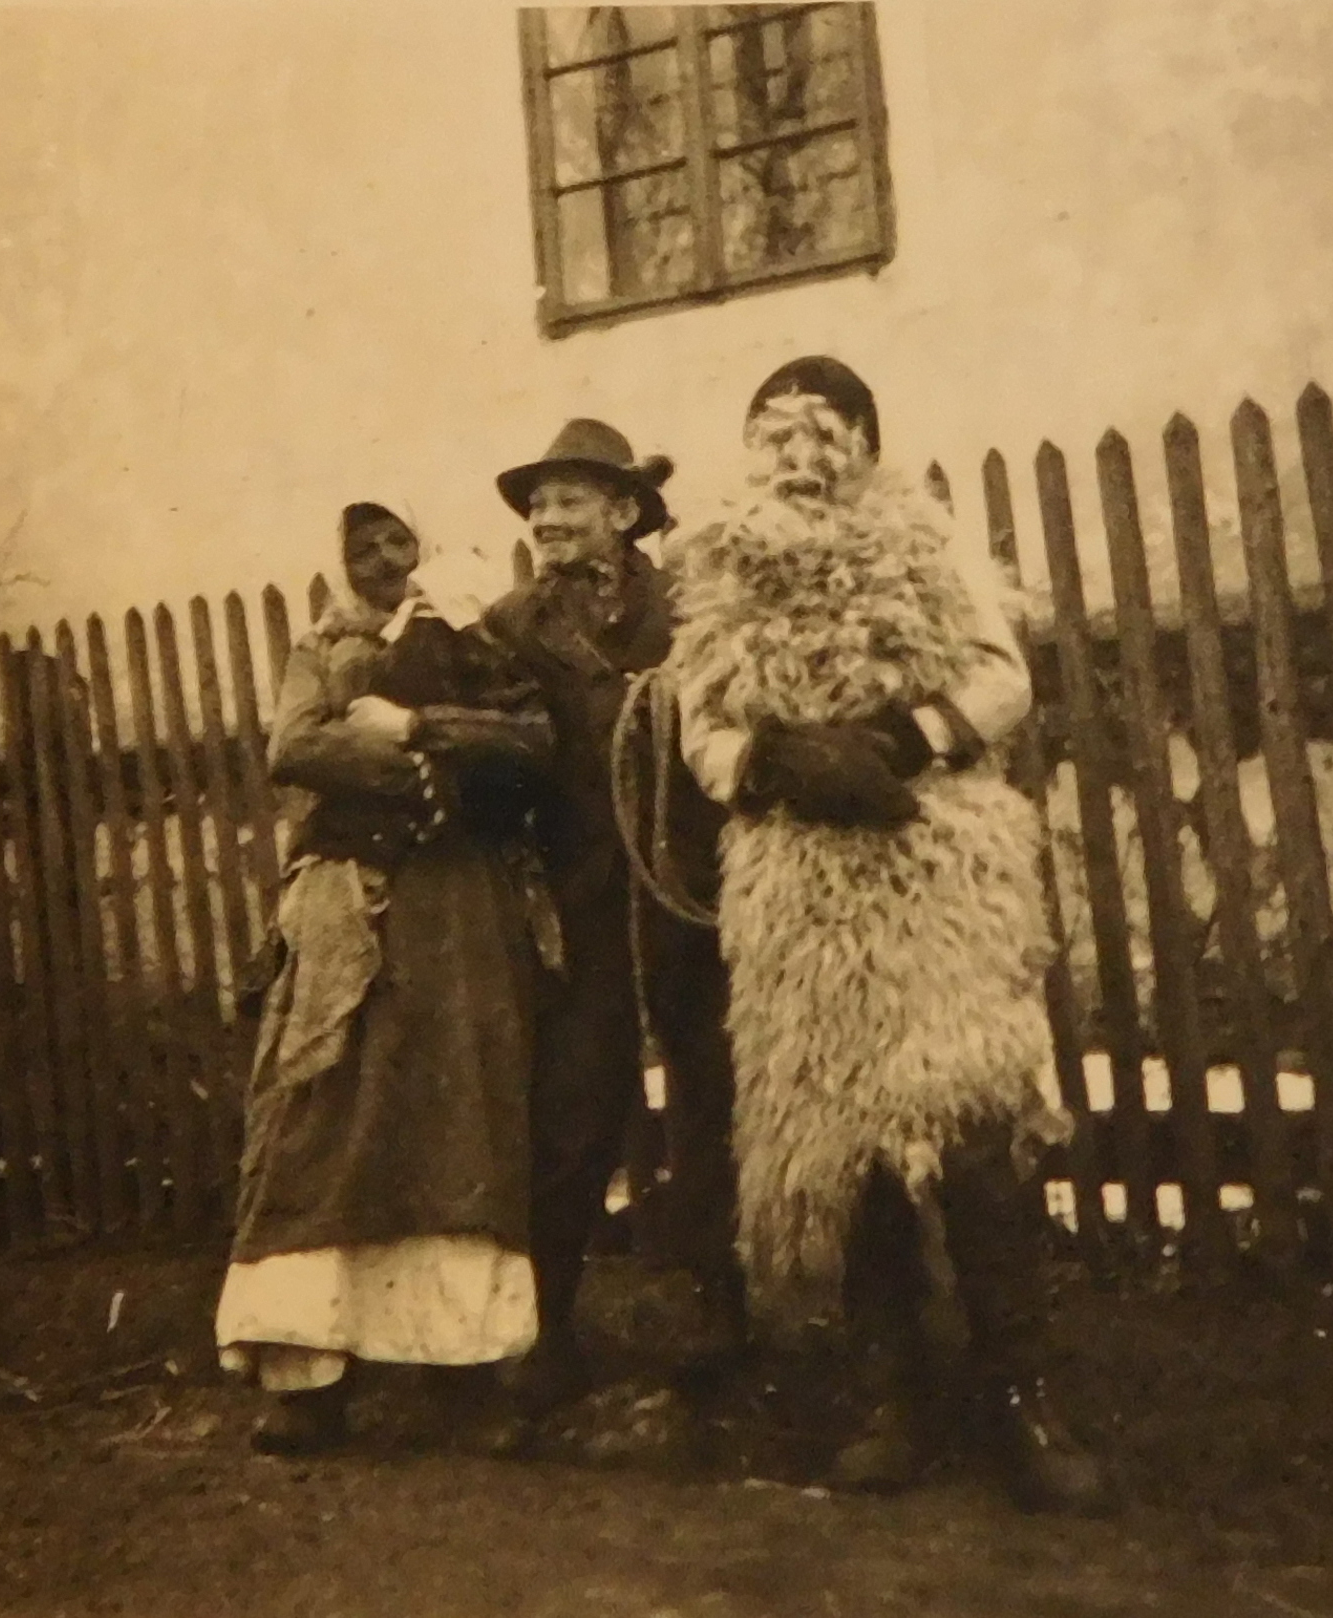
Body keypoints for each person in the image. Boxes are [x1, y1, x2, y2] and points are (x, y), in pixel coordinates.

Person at [664, 357, 1109, 1513]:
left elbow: (1002, 678)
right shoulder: (720, 569)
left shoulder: (927, 541)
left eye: (822, 433)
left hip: (931, 864)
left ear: (864, 442)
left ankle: (1022, 1395)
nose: (799, 458)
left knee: (972, 1126)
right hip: (799, 883)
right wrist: (773, 758)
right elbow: (700, 729)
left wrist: (904, 741)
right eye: (774, 436)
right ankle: (892, 1394)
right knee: (846, 1141)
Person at [214, 500, 558, 1455]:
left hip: (456, 912)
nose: (380, 559)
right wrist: (416, 770)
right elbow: (296, 747)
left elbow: (528, 744)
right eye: (360, 546)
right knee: (324, 1111)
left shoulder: (476, 635)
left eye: (396, 540)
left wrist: (421, 733)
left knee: (456, 1114)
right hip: (349, 902)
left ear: (425, 547)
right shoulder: (323, 647)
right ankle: (308, 1377)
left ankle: (465, 1371)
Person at [482, 421, 747, 1417]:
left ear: (625, 512)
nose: (546, 519)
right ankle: (545, 1330)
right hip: (580, 903)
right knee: (573, 1110)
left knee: (711, 1098)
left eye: (568, 500)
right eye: (537, 504)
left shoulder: (689, 610)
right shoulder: (511, 626)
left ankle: (717, 1318)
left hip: (688, 895)